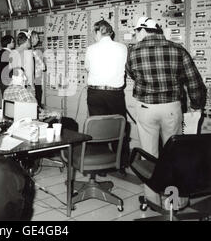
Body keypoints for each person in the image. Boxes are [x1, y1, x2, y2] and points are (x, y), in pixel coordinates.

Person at [126, 16, 207, 207]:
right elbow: (194, 81)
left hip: (145, 108)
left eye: (137, 32)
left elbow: (130, 73)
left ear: (143, 30)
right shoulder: (177, 49)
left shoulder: (133, 51)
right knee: (175, 155)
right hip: (171, 108)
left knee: (148, 155)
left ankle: (152, 201)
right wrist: (196, 104)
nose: (137, 35)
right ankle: (175, 201)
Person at [85, 20, 128, 117]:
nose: (94, 36)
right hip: (115, 94)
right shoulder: (122, 47)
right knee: (117, 126)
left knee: (97, 126)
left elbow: (87, 68)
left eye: (94, 33)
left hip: (95, 94)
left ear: (99, 32)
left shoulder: (90, 49)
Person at [30, 31, 46, 108]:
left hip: (36, 80)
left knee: (37, 100)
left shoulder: (35, 51)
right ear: (31, 39)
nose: (38, 40)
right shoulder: (33, 52)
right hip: (33, 81)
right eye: (36, 37)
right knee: (36, 102)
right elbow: (43, 67)